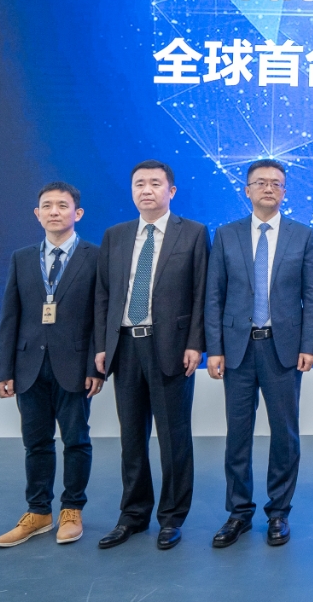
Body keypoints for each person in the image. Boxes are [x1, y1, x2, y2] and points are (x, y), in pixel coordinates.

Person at [204, 159, 313, 548]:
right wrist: (214, 349)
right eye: (260, 182)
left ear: (284, 191)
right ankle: (238, 512)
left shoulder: (303, 235)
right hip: (237, 349)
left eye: (276, 183)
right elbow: (214, 295)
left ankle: (279, 512)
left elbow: (312, 296)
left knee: (285, 434)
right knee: (238, 434)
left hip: (282, 349)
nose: (268, 188)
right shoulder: (226, 235)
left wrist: (309, 345)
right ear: (247, 190)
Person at [94, 160, 208, 551]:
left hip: (170, 348)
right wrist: (102, 345)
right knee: (131, 438)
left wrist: (195, 343)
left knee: (174, 438)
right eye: (139, 184)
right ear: (132, 191)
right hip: (125, 346)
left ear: (170, 191)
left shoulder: (193, 233)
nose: (146, 190)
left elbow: (200, 293)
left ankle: (172, 517)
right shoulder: (115, 235)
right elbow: (104, 295)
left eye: (155, 183)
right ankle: (133, 515)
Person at [0, 182, 103, 547]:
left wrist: (95, 367)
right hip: (28, 367)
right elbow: (10, 316)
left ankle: (72, 509)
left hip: (75, 366)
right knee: (36, 443)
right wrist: (4, 369)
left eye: (62, 205)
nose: (54, 211)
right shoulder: (22, 258)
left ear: (77, 213)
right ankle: (38, 511)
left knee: (76, 441)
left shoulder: (95, 256)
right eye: (47, 206)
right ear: (37, 214)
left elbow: (99, 317)